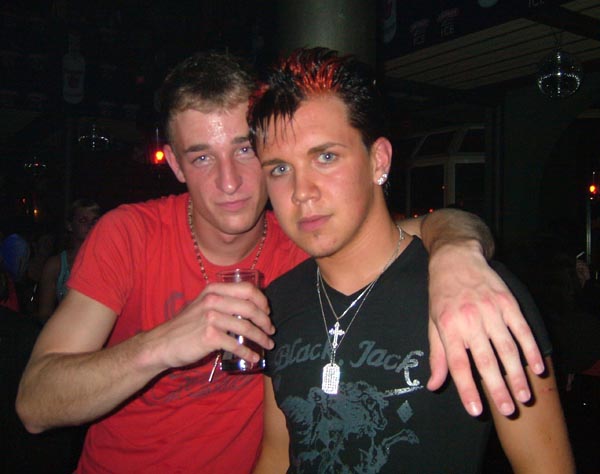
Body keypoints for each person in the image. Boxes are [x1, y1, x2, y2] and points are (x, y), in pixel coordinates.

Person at [17, 51, 543, 473]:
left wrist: (457, 250)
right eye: (202, 157)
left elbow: (402, 230)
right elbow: (35, 404)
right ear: (175, 164)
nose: (229, 182)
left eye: (245, 150)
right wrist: (162, 344)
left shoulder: (305, 241)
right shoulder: (130, 234)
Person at [248, 47, 574, 473]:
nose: (301, 192)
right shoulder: (278, 302)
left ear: (378, 161)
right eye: (279, 169)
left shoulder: (474, 292)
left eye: (325, 157)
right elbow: (278, 453)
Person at [36, 199, 100, 323]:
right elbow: (44, 314)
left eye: (95, 221)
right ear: (70, 225)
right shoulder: (56, 265)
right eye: (83, 220)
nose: (90, 226)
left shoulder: (108, 262)